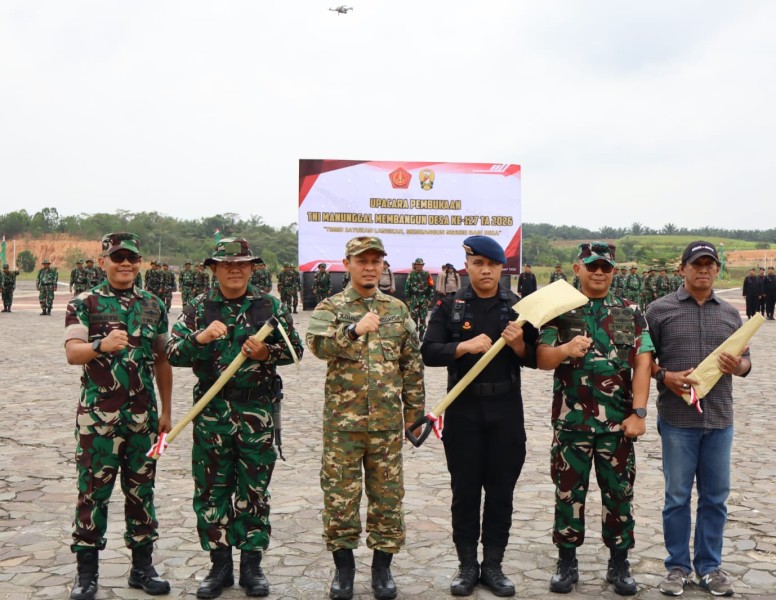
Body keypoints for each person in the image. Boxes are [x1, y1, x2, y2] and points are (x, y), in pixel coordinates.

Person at [166, 238, 303, 599]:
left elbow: (296, 350)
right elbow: (172, 353)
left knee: (254, 489)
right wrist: (200, 338)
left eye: (243, 264)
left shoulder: (268, 306)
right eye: (227, 265)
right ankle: (220, 565)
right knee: (212, 490)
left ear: (253, 267)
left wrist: (265, 352)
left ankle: (252, 565)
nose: (236, 269)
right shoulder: (199, 307)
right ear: (214, 268)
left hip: (256, 410)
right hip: (212, 412)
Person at [305, 236, 424, 600]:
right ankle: (344, 572)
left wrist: (414, 415)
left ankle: (382, 571)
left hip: (387, 425)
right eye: (362, 260)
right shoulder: (332, 307)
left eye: (376, 260)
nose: (370, 267)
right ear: (348, 264)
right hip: (344, 425)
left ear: (383, 265)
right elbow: (317, 346)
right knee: (340, 497)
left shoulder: (397, 310)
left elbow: (411, 365)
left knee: (387, 498)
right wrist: (353, 330)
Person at [421, 235, 538, 598]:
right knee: (465, 490)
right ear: (467, 267)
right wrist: (464, 346)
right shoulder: (450, 307)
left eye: (492, 265)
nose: (485, 270)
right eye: (477, 264)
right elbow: (429, 352)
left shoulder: (518, 308)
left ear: (502, 268)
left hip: (506, 410)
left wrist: (519, 342)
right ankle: (467, 565)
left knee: (501, 491)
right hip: (463, 410)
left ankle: (493, 565)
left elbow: (534, 357)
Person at [536, 242, 653, 596]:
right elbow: (542, 358)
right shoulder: (560, 309)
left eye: (605, 267)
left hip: (618, 426)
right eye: (592, 266)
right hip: (572, 423)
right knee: (568, 492)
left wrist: (640, 412)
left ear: (613, 271)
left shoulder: (631, 311)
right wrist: (564, 350)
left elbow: (643, 362)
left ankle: (619, 563)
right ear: (578, 269)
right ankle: (567, 561)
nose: (599, 272)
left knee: (619, 494)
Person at [63, 232, 173, 600]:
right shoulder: (85, 302)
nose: (125, 263)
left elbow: (161, 360)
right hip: (98, 421)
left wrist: (167, 410)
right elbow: (73, 352)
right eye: (118, 257)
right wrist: (100, 345)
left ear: (139, 262)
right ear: (104, 261)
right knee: (92, 493)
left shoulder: (154, 304)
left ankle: (142, 567)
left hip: (143, 417)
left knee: (141, 491)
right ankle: (86, 573)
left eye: (132, 258)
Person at [645, 241, 752, 598]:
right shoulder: (659, 311)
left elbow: (747, 361)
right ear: (683, 269)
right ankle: (677, 567)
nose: (703, 270)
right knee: (677, 496)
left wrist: (739, 366)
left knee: (715, 498)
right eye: (697, 264)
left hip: (720, 419)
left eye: (710, 264)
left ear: (717, 270)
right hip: (678, 419)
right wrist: (666, 377)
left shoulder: (730, 314)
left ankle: (709, 567)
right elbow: (644, 362)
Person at [404, 258, 433, 340]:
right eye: (417, 264)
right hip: (413, 299)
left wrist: (430, 299)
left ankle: (421, 334)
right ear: (415, 265)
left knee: (423, 317)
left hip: (423, 298)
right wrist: (408, 299)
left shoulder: (427, 274)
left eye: (420, 265)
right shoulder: (411, 274)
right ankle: (414, 334)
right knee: (413, 317)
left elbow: (431, 287)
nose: (419, 266)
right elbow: (407, 287)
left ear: (422, 265)